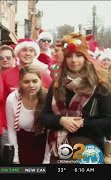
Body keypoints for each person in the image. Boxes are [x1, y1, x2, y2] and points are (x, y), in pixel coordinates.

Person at [40, 32, 111, 163]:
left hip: (90, 151)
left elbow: (108, 121)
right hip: (60, 152)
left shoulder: (100, 84)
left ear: (86, 57)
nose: (74, 60)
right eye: (69, 56)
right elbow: (45, 117)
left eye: (79, 55)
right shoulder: (56, 84)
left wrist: (83, 123)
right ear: (64, 59)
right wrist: (61, 121)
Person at [6, 65, 50, 164]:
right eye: (26, 82)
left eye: (35, 81)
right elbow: (11, 129)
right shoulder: (12, 99)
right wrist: (15, 158)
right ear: (20, 82)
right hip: (22, 144)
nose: (31, 85)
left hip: (43, 144)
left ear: (41, 81)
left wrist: (47, 160)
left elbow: (50, 134)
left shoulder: (48, 98)